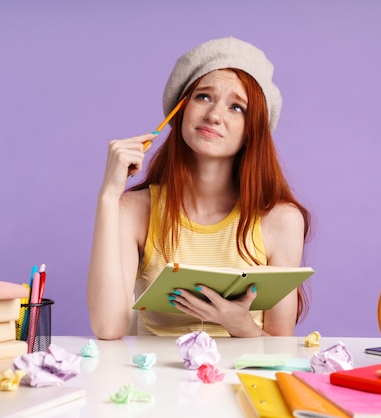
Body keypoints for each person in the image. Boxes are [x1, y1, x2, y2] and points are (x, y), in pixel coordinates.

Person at [87, 37, 311, 339]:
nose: (215, 115)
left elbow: (281, 345)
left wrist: (239, 324)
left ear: (252, 131)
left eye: (237, 107)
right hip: (154, 383)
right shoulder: (134, 209)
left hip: (240, 382)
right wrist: (108, 196)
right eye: (203, 97)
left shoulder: (282, 220)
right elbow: (107, 328)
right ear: (180, 109)